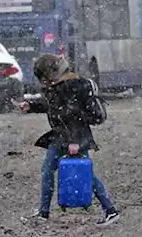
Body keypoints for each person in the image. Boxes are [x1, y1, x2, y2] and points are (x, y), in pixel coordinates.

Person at [20, 54, 120, 227]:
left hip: (73, 137)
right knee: (51, 169)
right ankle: (43, 212)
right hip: (61, 136)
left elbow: (73, 116)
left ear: (51, 73)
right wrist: (31, 106)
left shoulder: (69, 85)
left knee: (84, 173)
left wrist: (74, 142)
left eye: (44, 77)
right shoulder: (62, 84)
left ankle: (110, 210)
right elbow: (53, 105)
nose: (44, 81)